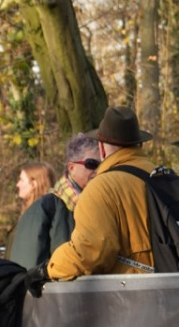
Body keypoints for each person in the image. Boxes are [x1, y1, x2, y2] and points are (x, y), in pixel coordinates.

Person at [42, 106, 153, 283]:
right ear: (139, 144)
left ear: (101, 149)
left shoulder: (102, 187)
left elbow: (89, 253)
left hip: (133, 293)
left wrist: (48, 269)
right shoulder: (167, 177)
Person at [8, 135, 100, 268]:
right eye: (91, 164)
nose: (98, 170)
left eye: (103, 164)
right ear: (71, 168)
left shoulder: (98, 207)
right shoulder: (46, 208)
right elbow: (27, 269)